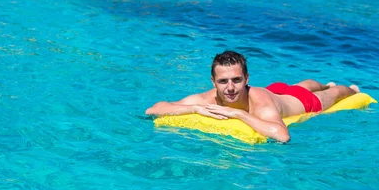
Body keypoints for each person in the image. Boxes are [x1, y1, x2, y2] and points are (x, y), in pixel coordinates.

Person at [145, 50, 360, 143]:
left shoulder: (260, 103)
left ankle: (348, 88)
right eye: (223, 81)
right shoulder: (206, 98)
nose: (230, 88)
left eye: (236, 80)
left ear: (247, 78)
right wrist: (193, 109)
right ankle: (322, 83)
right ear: (213, 82)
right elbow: (154, 109)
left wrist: (238, 114)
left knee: (332, 91)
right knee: (301, 84)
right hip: (276, 89)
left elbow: (282, 136)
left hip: (301, 101)